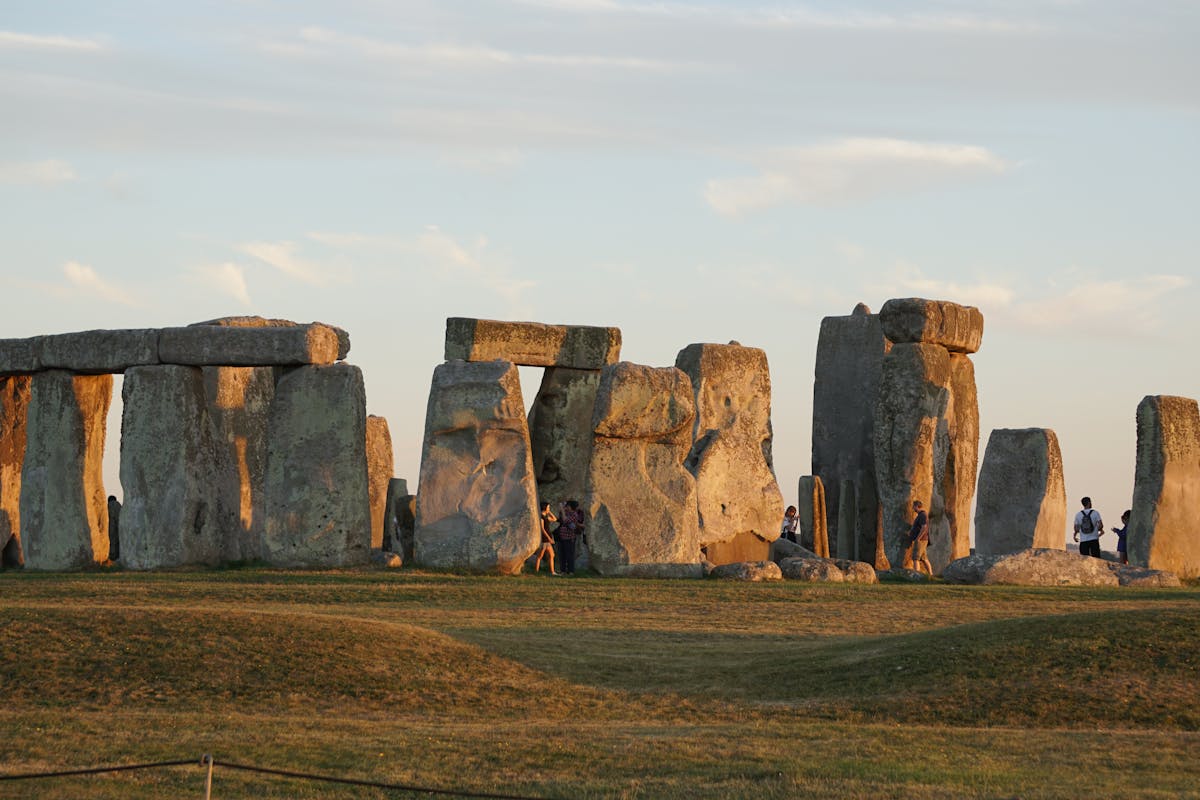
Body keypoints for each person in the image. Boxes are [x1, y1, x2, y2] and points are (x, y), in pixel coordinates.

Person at [557, 500, 585, 575]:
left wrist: (562, 510)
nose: (566, 507)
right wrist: (562, 509)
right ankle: (563, 570)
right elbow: (560, 518)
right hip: (562, 537)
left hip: (569, 538)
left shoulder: (574, 515)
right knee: (562, 555)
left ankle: (571, 571)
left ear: (571, 507)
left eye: (568, 506)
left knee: (569, 555)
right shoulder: (567, 513)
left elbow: (566, 520)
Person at [533, 502, 559, 575]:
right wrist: (549, 538)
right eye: (548, 507)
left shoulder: (546, 516)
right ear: (544, 508)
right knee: (540, 556)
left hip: (548, 537)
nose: (549, 508)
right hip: (545, 538)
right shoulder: (541, 517)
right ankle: (537, 571)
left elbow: (554, 519)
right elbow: (542, 529)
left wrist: (549, 512)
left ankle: (552, 571)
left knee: (551, 555)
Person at [908, 500, 932, 576]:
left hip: (920, 540)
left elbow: (924, 527)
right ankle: (931, 575)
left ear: (917, 506)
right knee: (924, 559)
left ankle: (917, 575)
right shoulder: (921, 515)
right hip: (922, 540)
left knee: (916, 558)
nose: (913, 508)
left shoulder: (922, 515)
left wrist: (918, 538)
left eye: (913, 506)